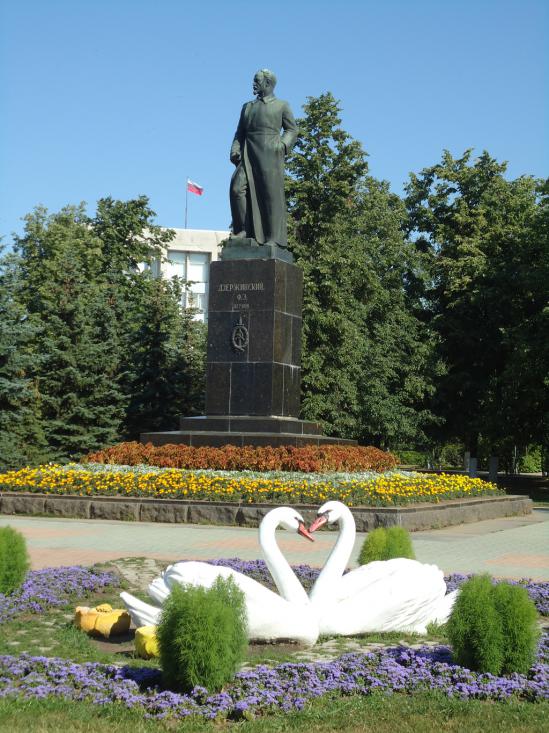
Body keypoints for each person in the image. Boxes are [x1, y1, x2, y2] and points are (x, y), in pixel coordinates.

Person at [229, 69, 298, 248]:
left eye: (256, 81)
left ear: (268, 84)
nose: (253, 84)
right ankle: (243, 230)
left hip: (270, 154)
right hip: (248, 153)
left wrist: (282, 146)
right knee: (237, 189)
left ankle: (273, 237)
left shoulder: (281, 105)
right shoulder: (247, 107)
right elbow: (239, 133)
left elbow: (292, 130)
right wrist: (235, 149)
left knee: (270, 195)